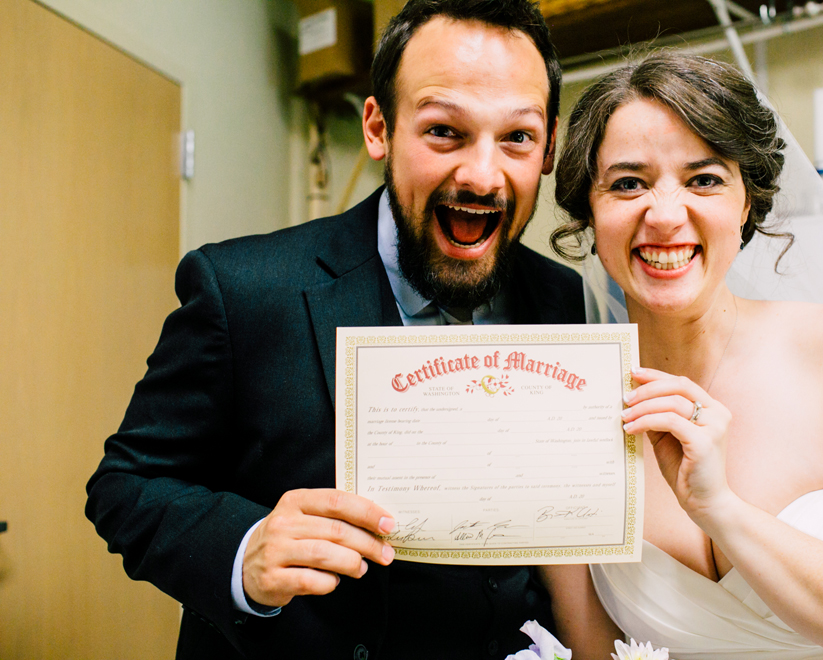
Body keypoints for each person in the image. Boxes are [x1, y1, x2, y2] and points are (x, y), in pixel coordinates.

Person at [85, 1, 583, 658]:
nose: (482, 176)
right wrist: (244, 550)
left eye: (516, 138)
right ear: (379, 127)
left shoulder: (558, 295)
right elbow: (124, 485)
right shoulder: (243, 288)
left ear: (548, 146)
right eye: (443, 132)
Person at [541, 51, 823, 659]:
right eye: (628, 183)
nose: (665, 216)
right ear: (590, 210)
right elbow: (595, 648)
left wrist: (723, 512)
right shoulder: (560, 412)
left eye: (705, 179)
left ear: (747, 203)